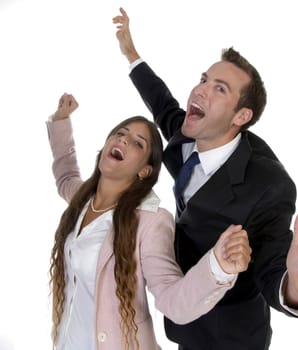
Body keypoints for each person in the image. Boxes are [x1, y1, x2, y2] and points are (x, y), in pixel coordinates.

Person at [113, 8, 298, 350]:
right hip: (187, 316)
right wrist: (131, 54)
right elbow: (161, 104)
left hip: (232, 335)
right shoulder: (188, 136)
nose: (200, 90)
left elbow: (271, 262)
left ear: (241, 116)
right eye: (204, 79)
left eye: (219, 89)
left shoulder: (268, 184)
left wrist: (295, 287)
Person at [47, 93, 252, 350]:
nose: (124, 139)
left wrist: (219, 267)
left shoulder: (150, 222)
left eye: (137, 143)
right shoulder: (83, 201)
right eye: (120, 133)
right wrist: (61, 120)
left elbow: (172, 299)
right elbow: (66, 174)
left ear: (145, 170)